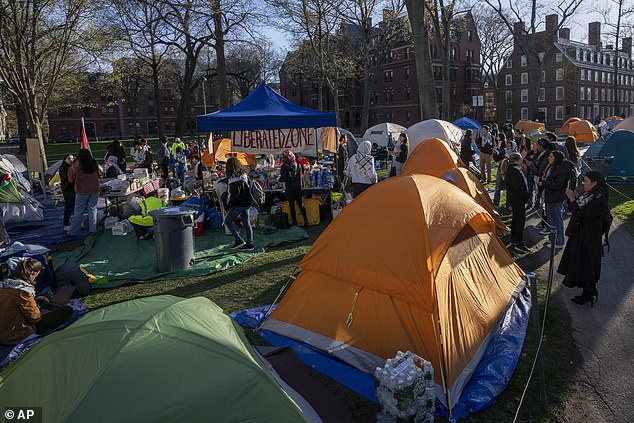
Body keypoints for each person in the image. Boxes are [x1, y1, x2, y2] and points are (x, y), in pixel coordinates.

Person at [558, 171, 609, 306]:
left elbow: (580, 215)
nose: (583, 183)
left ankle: (589, 293)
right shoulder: (589, 195)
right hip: (581, 234)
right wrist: (572, 200)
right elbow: (575, 210)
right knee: (580, 264)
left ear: (594, 183)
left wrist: (572, 199)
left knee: (588, 264)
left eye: (586, 181)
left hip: (589, 237)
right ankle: (587, 292)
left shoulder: (599, 200)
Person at [0, 258, 73, 345]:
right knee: (67, 310)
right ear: (31, 274)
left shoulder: (3, 287)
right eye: (35, 276)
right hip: (15, 336)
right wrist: (38, 309)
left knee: (40, 301)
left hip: (3, 332)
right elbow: (34, 318)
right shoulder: (23, 293)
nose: (35, 279)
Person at [538, 150, 575, 249]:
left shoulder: (561, 170)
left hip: (556, 197)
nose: (549, 158)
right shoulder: (552, 167)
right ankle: (552, 238)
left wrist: (544, 183)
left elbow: (558, 185)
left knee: (557, 218)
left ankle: (559, 241)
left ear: (556, 158)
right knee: (550, 218)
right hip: (550, 196)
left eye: (551, 157)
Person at [223, 157, 254, 251]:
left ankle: (238, 239)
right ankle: (250, 243)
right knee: (246, 223)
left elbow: (234, 196)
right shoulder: (244, 175)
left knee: (227, 221)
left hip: (240, 204)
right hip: (247, 202)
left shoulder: (233, 179)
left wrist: (228, 206)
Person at [67, 149, 99, 236]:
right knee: (92, 209)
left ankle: (73, 231)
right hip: (95, 189)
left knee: (78, 211)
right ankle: (93, 230)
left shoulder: (77, 164)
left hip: (82, 190)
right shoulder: (94, 163)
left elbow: (70, 178)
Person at [505, 153, 530, 253]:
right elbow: (519, 187)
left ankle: (513, 239)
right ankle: (519, 242)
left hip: (514, 199)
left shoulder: (512, 170)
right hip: (517, 199)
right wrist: (526, 196)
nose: (521, 161)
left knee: (516, 219)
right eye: (520, 160)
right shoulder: (514, 171)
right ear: (516, 161)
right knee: (520, 220)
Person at [279, 150, 308, 226]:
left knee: (292, 205)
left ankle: (295, 222)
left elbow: (283, 178)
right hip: (298, 187)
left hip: (290, 188)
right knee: (300, 205)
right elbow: (302, 174)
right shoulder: (298, 163)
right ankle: (306, 221)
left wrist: (279, 178)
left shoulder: (285, 166)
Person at [529, 138, 550, 212]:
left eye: (537, 145)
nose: (536, 147)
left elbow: (540, 170)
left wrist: (531, 165)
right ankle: (537, 204)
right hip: (538, 177)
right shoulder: (539, 154)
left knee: (541, 193)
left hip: (542, 177)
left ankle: (541, 207)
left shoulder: (546, 155)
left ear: (542, 146)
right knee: (537, 192)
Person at [59, 154, 75, 232]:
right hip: (67, 189)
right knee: (69, 206)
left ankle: (76, 222)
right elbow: (69, 179)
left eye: (72, 158)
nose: (71, 160)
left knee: (75, 206)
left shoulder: (73, 167)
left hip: (74, 189)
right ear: (65, 160)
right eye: (69, 158)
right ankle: (66, 223)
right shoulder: (63, 168)